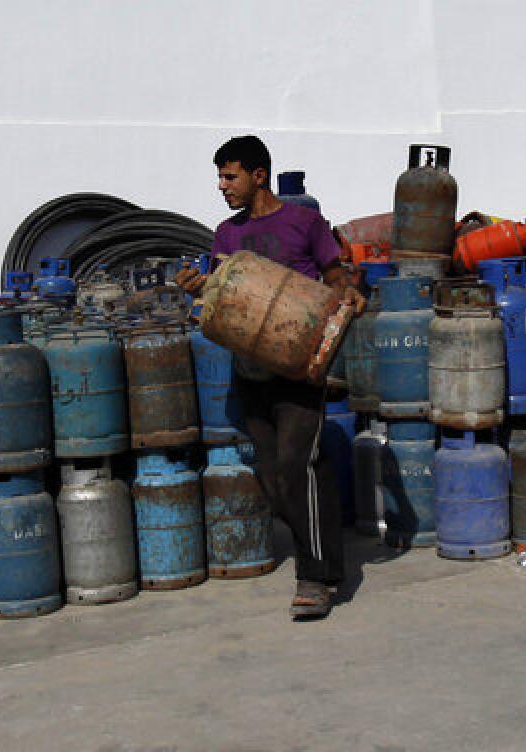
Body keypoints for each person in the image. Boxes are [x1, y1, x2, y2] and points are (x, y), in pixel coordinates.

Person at [175, 135, 366, 619]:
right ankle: (319, 551)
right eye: (219, 177)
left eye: (230, 176)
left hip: (300, 368)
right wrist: (198, 287)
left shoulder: (304, 222)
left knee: (299, 464)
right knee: (275, 477)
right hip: (251, 369)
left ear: (259, 175)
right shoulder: (225, 235)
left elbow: (335, 274)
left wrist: (347, 298)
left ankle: (316, 577)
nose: (222, 186)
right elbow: (220, 296)